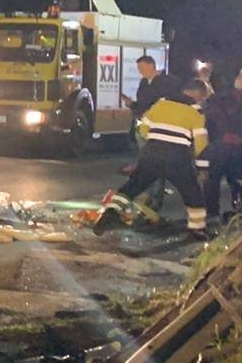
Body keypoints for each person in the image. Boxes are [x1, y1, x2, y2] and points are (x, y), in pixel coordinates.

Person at [97, 79, 214, 240]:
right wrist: (203, 169)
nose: (202, 100)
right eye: (203, 97)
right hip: (177, 157)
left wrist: (157, 139)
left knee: (133, 186)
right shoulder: (196, 112)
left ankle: (109, 214)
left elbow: (143, 129)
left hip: (151, 154)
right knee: (193, 194)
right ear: (198, 94)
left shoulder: (161, 103)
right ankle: (197, 229)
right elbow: (201, 145)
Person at [204, 67, 242, 223]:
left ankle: (214, 212)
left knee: (216, 180)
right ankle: (235, 211)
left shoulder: (216, 100)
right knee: (233, 180)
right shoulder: (228, 98)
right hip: (232, 146)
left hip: (222, 146)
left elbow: (209, 120)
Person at [126, 55, 182, 121]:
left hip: (160, 119)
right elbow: (142, 103)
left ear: (151, 66)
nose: (140, 71)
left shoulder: (169, 81)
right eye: (139, 69)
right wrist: (132, 104)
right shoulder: (143, 82)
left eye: (142, 68)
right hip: (144, 120)